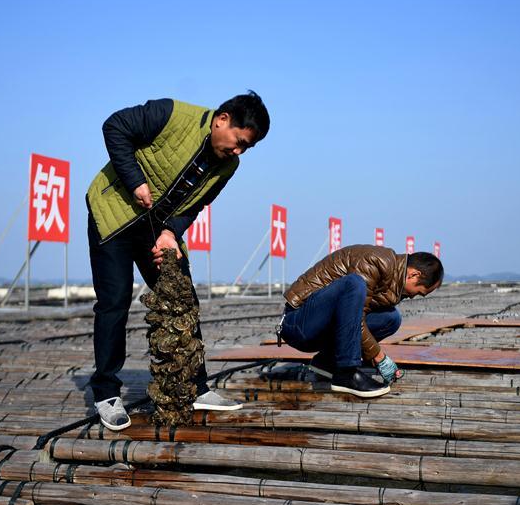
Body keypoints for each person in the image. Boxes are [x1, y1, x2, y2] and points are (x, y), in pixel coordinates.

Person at [86, 92, 271, 430]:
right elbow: (114, 127)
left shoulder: (228, 166)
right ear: (223, 120)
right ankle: (106, 392)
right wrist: (134, 180)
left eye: (247, 148)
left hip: (156, 229)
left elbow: (196, 204)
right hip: (113, 215)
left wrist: (171, 233)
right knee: (114, 301)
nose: (239, 151)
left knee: (183, 298)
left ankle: (196, 386)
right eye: (239, 141)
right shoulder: (170, 114)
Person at [280, 246, 443, 398]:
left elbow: (354, 316)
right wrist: (379, 357)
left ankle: (326, 363)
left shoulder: (394, 283)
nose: (415, 296)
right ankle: (346, 372)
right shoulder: (376, 261)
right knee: (354, 283)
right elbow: (357, 320)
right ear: (414, 275)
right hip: (299, 322)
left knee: (391, 319)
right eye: (420, 292)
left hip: (321, 327)